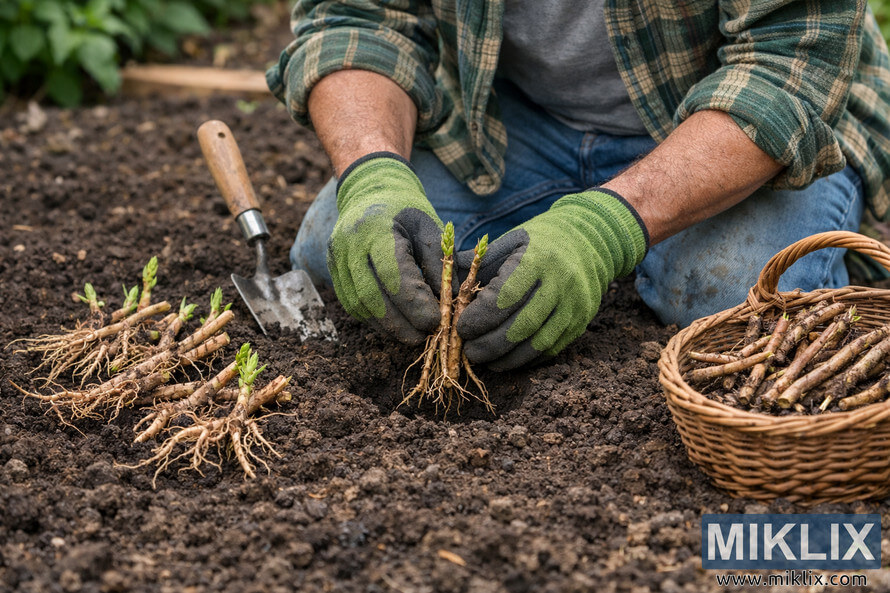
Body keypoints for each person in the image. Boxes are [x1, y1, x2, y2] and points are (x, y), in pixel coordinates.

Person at [267, 1, 890, 371]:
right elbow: (357, 18)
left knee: (733, 303)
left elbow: (785, 69)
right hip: (520, 117)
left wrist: (600, 231)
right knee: (334, 253)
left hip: (729, 115)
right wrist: (374, 173)